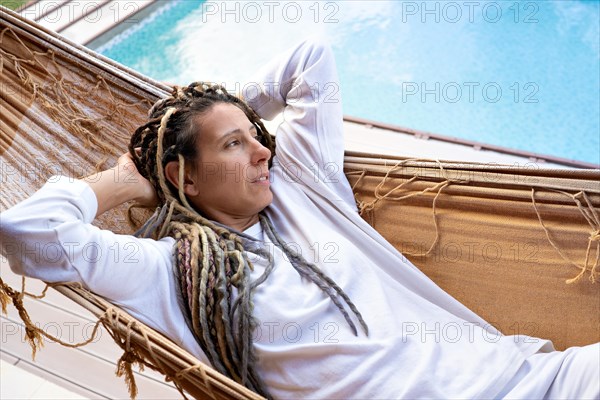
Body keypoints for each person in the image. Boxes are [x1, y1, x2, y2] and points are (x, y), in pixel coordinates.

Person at [1, 37, 598, 400]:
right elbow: (28, 233)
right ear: (184, 177)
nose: (263, 151)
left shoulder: (301, 186)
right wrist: (128, 178)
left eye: (255, 137)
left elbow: (309, 60)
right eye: (235, 146)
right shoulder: (170, 269)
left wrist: (212, 112)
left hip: (535, 379)